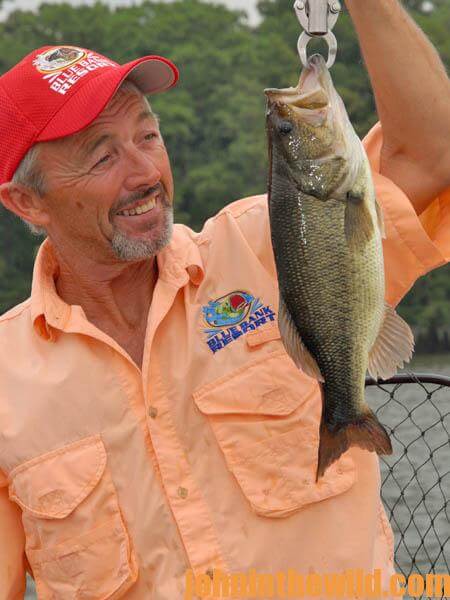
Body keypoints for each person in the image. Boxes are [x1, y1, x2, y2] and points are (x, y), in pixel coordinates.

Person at [0, 1, 449, 598]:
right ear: (27, 202)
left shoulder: (270, 245)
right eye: (102, 156)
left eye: (148, 135)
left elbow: (431, 155)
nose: (144, 172)